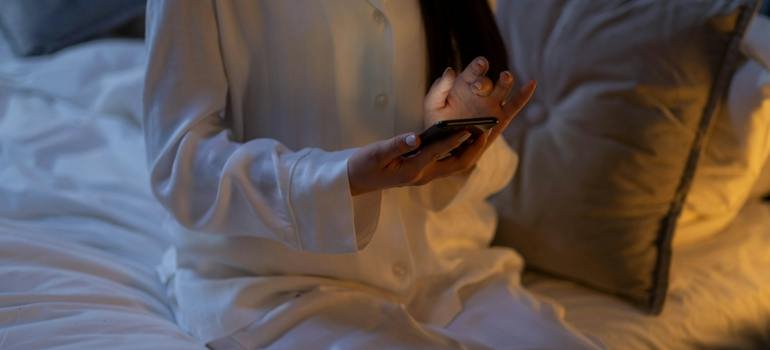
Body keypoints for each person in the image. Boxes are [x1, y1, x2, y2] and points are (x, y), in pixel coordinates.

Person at [144, 1, 598, 349]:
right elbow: (180, 164)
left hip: (449, 275)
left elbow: (478, 136)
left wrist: (463, 139)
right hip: (277, 289)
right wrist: (340, 180)